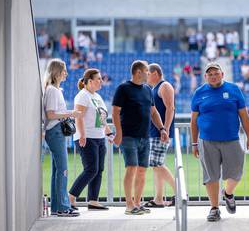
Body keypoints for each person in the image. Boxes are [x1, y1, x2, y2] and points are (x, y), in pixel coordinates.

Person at [190, 62, 249, 222]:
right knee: (210, 177)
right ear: (205, 77)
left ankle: (228, 193)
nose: (213, 76)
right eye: (210, 74)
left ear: (222, 74)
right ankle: (214, 208)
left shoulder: (233, 89)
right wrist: (194, 143)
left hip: (231, 139)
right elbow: (193, 121)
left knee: (236, 173)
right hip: (207, 141)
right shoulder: (199, 93)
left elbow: (244, 115)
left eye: (216, 73)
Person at [112, 60, 168, 215]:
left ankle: (137, 203)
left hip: (145, 136)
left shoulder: (148, 90)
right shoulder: (123, 88)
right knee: (131, 168)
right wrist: (118, 133)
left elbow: (154, 112)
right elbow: (115, 112)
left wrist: (162, 128)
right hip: (128, 136)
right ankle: (129, 205)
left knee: (142, 170)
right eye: (147, 72)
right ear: (138, 72)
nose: (148, 74)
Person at [69, 68, 113, 211]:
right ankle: (70, 198)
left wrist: (108, 132)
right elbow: (78, 116)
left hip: (99, 138)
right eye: (98, 79)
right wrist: (82, 135)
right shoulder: (83, 95)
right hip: (87, 137)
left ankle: (93, 201)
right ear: (89, 81)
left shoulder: (97, 96)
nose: (101, 81)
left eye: (101, 78)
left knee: (98, 169)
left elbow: (101, 117)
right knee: (91, 169)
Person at [43, 58, 81, 217]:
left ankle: (58, 206)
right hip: (55, 132)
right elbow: (50, 114)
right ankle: (63, 207)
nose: (66, 73)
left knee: (57, 171)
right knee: (63, 170)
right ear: (57, 72)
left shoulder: (55, 90)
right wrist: (71, 113)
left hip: (56, 131)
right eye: (64, 70)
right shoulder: (52, 90)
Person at [144, 63, 176, 208]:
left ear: (155, 73)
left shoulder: (164, 86)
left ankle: (180, 192)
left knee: (157, 164)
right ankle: (158, 199)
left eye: (147, 74)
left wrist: (166, 128)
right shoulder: (155, 88)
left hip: (160, 132)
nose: (146, 77)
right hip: (155, 131)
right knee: (156, 166)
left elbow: (170, 108)